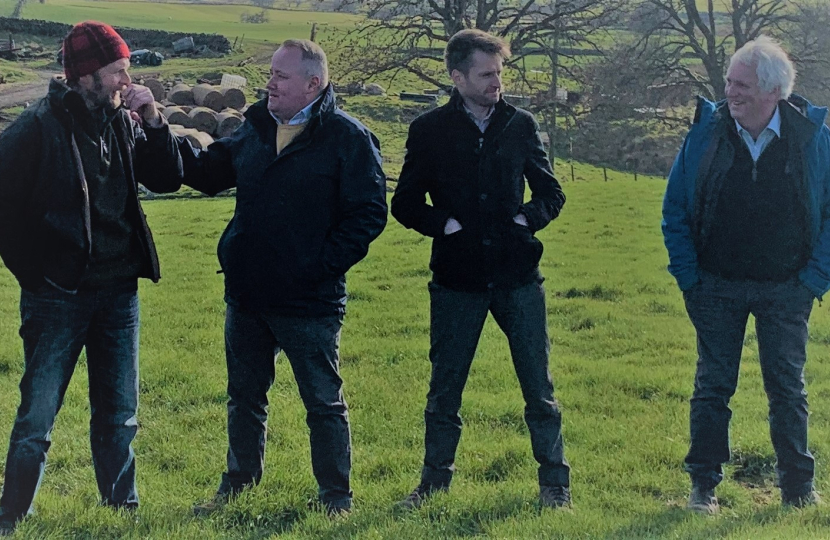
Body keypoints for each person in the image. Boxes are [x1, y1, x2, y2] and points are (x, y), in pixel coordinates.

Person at [181, 39, 387, 516]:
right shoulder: (255, 128)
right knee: (244, 398)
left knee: (322, 402)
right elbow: (207, 173)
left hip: (308, 301)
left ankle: (336, 499)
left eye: (281, 75)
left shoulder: (348, 138)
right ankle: (237, 487)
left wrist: (316, 267)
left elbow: (368, 214)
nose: (269, 82)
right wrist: (153, 128)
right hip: (248, 294)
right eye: (270, 73)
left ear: (313, 84)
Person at [0, 21, 183, 534]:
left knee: (119, 415)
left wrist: (153, 119)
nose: (127, 80)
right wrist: (34, 275)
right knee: (37, 417)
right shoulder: (37, 127)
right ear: (85, 75)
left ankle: (121, 514)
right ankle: (11, 517)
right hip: (58, 295)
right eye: (118, 71)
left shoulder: (124, 120)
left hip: (119, 293)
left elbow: (167, 179)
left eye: (127, 70)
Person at [390, 29, 570, 510]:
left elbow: (552, 193)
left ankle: (556, 486)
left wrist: (525, 219)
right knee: (444, 390)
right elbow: (404, 203)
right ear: (457, 76)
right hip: (457, 279)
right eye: (487, 74)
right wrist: (443, 225)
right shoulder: (428, 130)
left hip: (518, 277)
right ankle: (432, 487)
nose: (498, 82)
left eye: (500, 72)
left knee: (539, 387)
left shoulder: (521, 124)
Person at [662, 35, 830, 514]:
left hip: (788, 289)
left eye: (741, 85)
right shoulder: (706, 133)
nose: (729, 93)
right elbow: (674, 208)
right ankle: (703, 488)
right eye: (729, 82)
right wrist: (690, 279)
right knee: (712, 387)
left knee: (787, 389)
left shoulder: (813, 139)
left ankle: (798, 489)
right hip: (715, 286)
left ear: (773, 92)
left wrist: (813, 282)